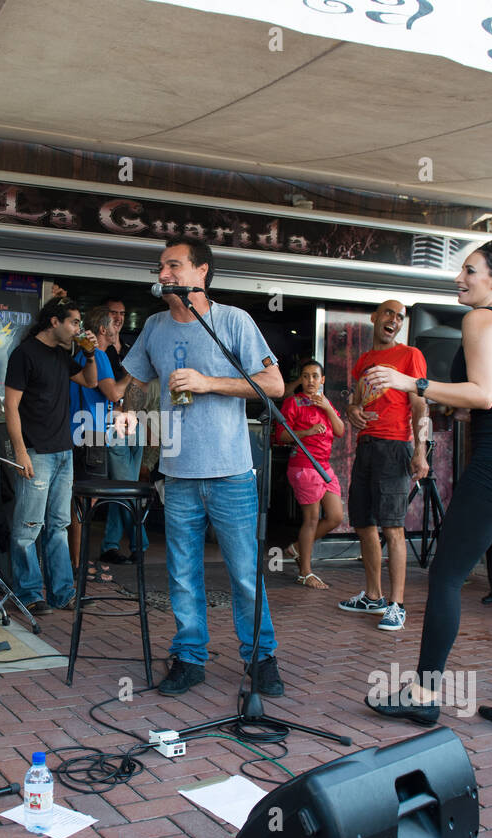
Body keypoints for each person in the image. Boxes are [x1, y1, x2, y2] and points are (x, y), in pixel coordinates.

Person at [362, 239, 492, 735]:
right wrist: (448, 403)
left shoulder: (480, 319)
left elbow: (484, 395)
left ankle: (424, 696)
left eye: (470, 271)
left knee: (446, 576)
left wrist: (412, 385)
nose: (459, 280)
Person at [121, 238, 286, 697]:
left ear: (202, 272)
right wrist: (127, 409)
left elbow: (273, 384)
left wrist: (208, 382)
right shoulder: (154, 326)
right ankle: (190, 657)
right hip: (177, 475)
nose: (164, 273)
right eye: (161, 266)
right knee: (182, 573)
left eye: (174, 265)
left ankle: (261, 658)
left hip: (231, 472)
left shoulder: (232, 320)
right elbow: (134, 384)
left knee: (244, 572)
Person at [4, 296, 100, 615]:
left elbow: (91, 381)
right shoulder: (24, 354)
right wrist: (20, 451)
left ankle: (61, 592)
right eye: (74, 322)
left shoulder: (62, 354)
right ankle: (28, 593)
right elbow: (11, 406)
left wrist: (89, 353)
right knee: (28, 527)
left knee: (58, 524)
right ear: (54, 322)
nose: (78, 328)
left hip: (63, 451)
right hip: (36, 451)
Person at [338, 301, 430, 630]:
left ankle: (397, 604)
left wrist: (421, 450)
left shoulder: (410, 355)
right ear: (375, 318)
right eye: (388, 314)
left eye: (400, 317)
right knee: (363, 523)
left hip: (395, 447)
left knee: (392, 527)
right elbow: (356, 398)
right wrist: (351, 409)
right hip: (366, 446)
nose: (394, 320)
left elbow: (420, 405)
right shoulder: (363, 360)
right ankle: (373, 596)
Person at [275, 360, 345, 590]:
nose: (310, 381)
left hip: (324, 466)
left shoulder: (325, 403)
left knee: (335, 516)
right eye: (305, 376)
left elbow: (340, 431)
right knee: (312, 519)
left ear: (322, 380)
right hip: (304, 465)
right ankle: (305, 572)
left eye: (315, 376)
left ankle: (296, 547)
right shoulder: (293, 402)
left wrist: (326, 407)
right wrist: (308, 432)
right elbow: (281, 436)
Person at [67, 305, 119, 580]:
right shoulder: (98, 355)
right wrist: (135, 374)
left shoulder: (81, 355)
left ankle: (77, 563)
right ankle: (79, 565)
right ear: (102, 329)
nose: (118, 326)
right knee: (85, 506)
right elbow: (112, 392)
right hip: (92, 434)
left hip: (76, 431)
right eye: (115, 322)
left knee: (77, 504)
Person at [100, 297, 150, 563]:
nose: (118, 317)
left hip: (135, 422)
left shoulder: (129, 347)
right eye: (113, 313)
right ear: (103, 319)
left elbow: (140, 387)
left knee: (127, 487)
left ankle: (111, 545)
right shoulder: (100, 350)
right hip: (112, 424)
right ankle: (138, 545)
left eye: (122, 313)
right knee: (125, 488)